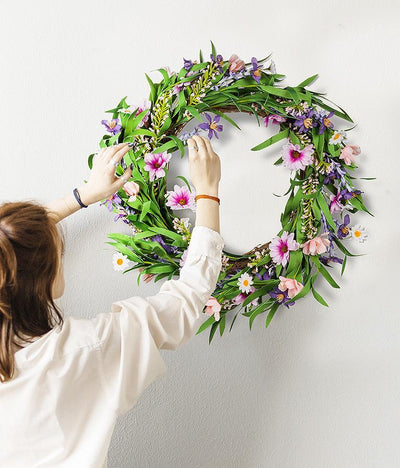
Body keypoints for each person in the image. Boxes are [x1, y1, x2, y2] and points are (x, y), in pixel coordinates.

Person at [0, 135, 224, 467]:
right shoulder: (84, 351)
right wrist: (207, 191)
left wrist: (83, 196)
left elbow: (10, 242)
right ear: (44, 280)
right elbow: (185, 300)